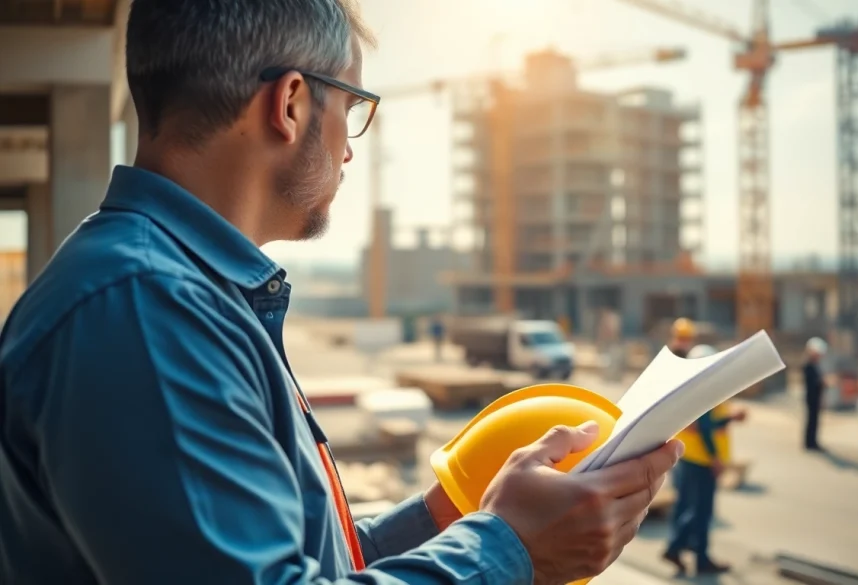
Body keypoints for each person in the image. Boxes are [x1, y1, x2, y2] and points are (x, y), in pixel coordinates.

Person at [0, 2, 681, 584]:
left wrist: (451, 517)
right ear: (291, 102)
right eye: (352, 106)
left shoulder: (182, 295)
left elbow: (296, 561)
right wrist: (509, 549)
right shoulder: (144, 312)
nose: (351, 149)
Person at [662, 344, 747, 576]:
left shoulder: (688, 384)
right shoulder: (708, 388)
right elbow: (706, 427)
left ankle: (679, 548)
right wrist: (715, 458)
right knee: (701, 510)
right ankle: (695, 556)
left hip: (687, 455)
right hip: (701, 459)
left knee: (687, 506)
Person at [803, 337, 828, 451]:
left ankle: (812, 442)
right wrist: (823, 382)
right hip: (811, 397)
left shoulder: (815, 365)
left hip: (816, 396)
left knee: (814, 421)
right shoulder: (809, 365)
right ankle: (810, 443)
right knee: (811, 421)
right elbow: (813, 382)